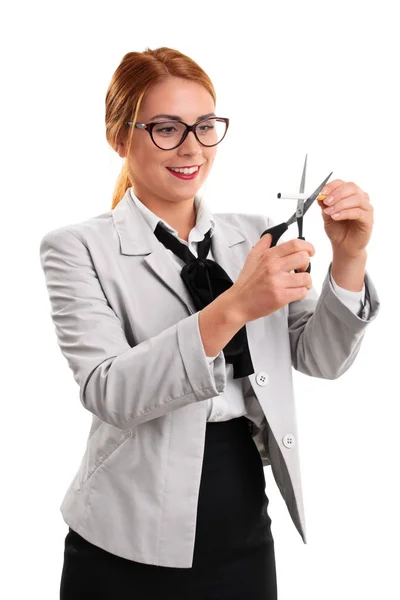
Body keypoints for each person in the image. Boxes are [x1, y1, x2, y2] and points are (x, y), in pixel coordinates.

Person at [39, 47, 380, 600]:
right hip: (122, 529)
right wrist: (234, 306)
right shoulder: (76, 248)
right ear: (119, 137)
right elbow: (108, 391)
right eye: (167, 128)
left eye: (205, 126)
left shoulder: (255, 234)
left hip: (241, 507)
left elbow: (319, 358)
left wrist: (349, 260)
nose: (192, 147)